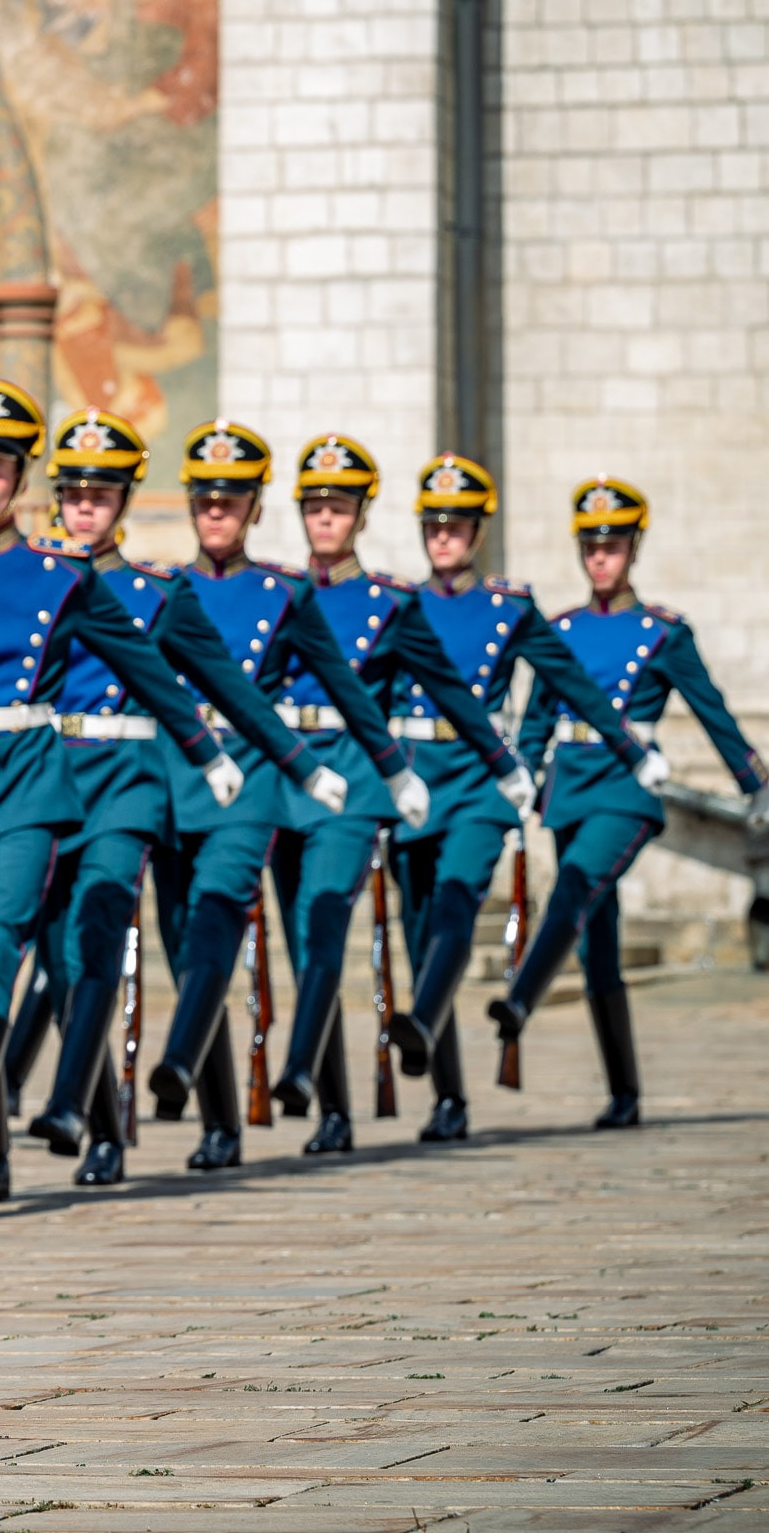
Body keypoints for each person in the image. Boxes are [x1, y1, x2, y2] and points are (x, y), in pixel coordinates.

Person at [0, 378, 243, 1206]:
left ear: (20, 479)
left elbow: (142, 664)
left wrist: (205, 749)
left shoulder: (61, 576)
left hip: (29, 779)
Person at [23, 413, 324, 1185]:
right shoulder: (40, 582)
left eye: (102, 493)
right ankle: (105, 1119)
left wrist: (304, 766)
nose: (85, 506)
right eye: (74, 492)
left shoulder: (162, 592)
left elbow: (235, 689)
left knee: (193, 945)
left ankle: (209, 1114)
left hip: (176, 777)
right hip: (82, 777)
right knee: (82, 955)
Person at [143, 422, 402, 1168]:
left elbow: (340, 682)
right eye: (203, 499)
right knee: (191, 945)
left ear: (255, 507)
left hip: (263, 776)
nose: (214, 512)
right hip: (177, 777)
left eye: (230, 500)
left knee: (296, 937)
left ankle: (327, 1102)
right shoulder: (162, 590)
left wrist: (381, 769)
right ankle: (219, 1120)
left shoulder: (283, 593)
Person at [384, 454, 662, 1140]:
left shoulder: (509, 607)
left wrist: (620, 753)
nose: (442, 537)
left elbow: (567, 680)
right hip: (417, 778)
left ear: (479, 532)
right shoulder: (395, 607)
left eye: (456, 526)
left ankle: (436, 1026)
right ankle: (449, 1097)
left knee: (456, 902)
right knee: (422, 936)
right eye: (432, 526)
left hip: (481, 780)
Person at [265, 435, 519, 1153]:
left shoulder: (387, 603)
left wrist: (507, 764)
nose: (324, 519)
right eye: (315, 506)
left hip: (358, 781)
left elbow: (445, 686)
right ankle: (334, 1109)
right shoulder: (276, 595)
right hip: (287, 779)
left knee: (337, 936)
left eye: (338, 507)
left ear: (361, 516)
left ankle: (442, 1094)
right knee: (302, 943)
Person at [493, 476, 768, 1127]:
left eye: (612, 546)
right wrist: (521, 778)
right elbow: (536, 719)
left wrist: (755, 783)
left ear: (633, 549)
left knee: (575, 885)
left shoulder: (663, 632)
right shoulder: (557, 629)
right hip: (569, 787)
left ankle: (521, 999)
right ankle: (624, 1091)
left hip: (624, 788)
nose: (600, 557)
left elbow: (713, 712)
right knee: (596, 937)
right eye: (591, 546)